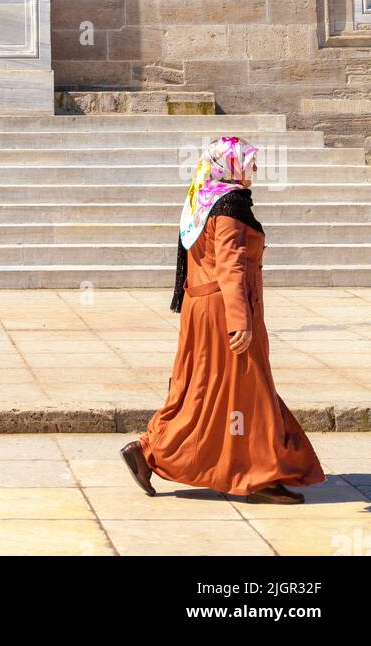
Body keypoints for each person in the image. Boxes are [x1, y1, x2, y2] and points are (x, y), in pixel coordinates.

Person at [121, 135, 324, 504]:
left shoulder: (202, 199)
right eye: (248, 162)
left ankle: (149, 451)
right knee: (247, 393)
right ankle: (259, 477)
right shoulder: (229, 207)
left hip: (203, 308)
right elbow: (230, 267)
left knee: (202, 392)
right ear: (230, 166)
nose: (255, 169)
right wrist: (240, 322)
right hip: (224, 312)